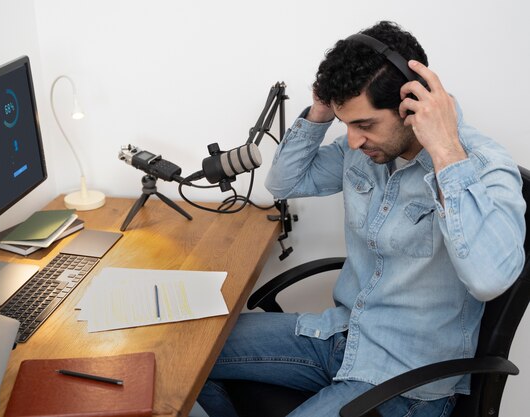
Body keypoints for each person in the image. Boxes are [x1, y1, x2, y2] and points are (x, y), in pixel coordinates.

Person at [197, 21, 526, 417]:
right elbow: (284, 182)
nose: (353, 140)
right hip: (340, 337)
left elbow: (489, 279)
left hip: (405, 381)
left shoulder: (483, 166)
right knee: (191, 349)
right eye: (346, 124)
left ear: (413, 104)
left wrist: (444, 151)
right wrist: (321, 111)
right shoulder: (365, 150)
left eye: (364, 124)